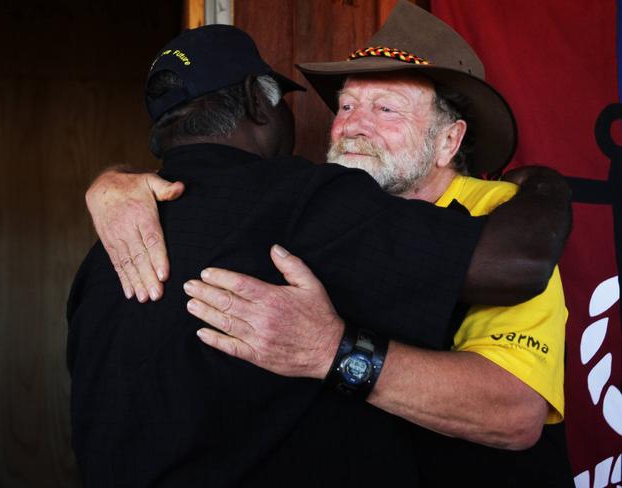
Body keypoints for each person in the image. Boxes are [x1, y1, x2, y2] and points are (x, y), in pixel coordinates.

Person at [71, 5, 570, 488]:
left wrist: (331, 350)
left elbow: (514, 413)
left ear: (448, 141)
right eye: (347, 105)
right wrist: (112, 182)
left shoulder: (497, 218)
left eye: (386, 108)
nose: (353, 125)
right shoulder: (311, 207)